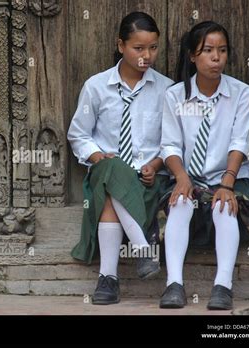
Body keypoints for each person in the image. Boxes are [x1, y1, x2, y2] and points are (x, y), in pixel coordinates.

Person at [67, 12, 173, 305]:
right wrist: (98, 155)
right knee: (112, 169)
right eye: (138, 48)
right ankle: (142, 249)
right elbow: (78, 135)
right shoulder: (97, 86)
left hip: (146, 180)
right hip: (104, 170)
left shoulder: (167, 90)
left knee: (113, 190)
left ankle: (108, 278)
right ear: (121, 45)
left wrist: (156, 164)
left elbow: (172, 142)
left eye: (152, 47)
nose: (147, 55)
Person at [159, 21, 249, 310]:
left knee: (224, 205)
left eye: (222, 50)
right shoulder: (175, 95)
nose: (216, 57)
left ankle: (223, 286)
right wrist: (181, 177)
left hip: (228, 175)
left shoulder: (242, 94)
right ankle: (174, 284)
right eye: (207, 50)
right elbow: (169, 145)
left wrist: (227, 184)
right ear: (192, 55)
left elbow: (239, 142)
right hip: (188, 175)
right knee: (179, 202)